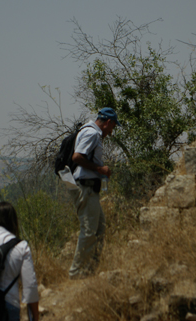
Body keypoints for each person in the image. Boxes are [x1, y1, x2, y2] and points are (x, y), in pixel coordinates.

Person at [69, 107, 120, 279]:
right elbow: (77, 157)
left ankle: (90, 271)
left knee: (99, 229)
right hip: (86, 188)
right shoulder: (92, 134)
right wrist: (100, 168)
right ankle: (76, 275)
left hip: (91, 189)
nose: (111, 132)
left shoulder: (91, 132)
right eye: (112, 127)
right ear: (108, 122)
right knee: (89, 231)